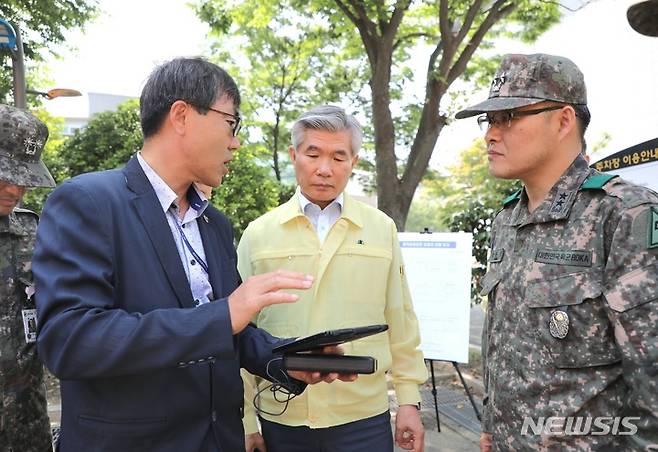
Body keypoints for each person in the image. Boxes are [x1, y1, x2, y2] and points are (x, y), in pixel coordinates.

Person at [32, 58, 355, 452]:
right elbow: (71, 341)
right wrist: (224, 316)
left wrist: (287, 360)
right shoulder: (88, 202)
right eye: (231, 123)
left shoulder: (214, 224)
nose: (235, 142)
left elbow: (231, 331)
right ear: (182, 115)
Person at [455, 53, 658, 451]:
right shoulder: (507, 219)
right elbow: (504, 342)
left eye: (508, 118)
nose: (490, 135)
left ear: (564, 121)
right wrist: (494, 425)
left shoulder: (623, 214)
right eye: (489, 121)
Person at [237, 105, 428, 452]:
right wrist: (247, 421)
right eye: (313, 154)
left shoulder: (380, 229)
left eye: (338, 157)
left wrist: (409, 402)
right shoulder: (258, 234)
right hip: (282, 415)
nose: (324, 169)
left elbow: (401, 322)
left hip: (363, 418)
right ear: (294, 156)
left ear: (353, 162)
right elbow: (239, 332)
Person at [0, 104, 54, 452]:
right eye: (7, 174)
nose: (17, 189)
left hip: (25, 428)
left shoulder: (33, 233)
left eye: (25, 178)